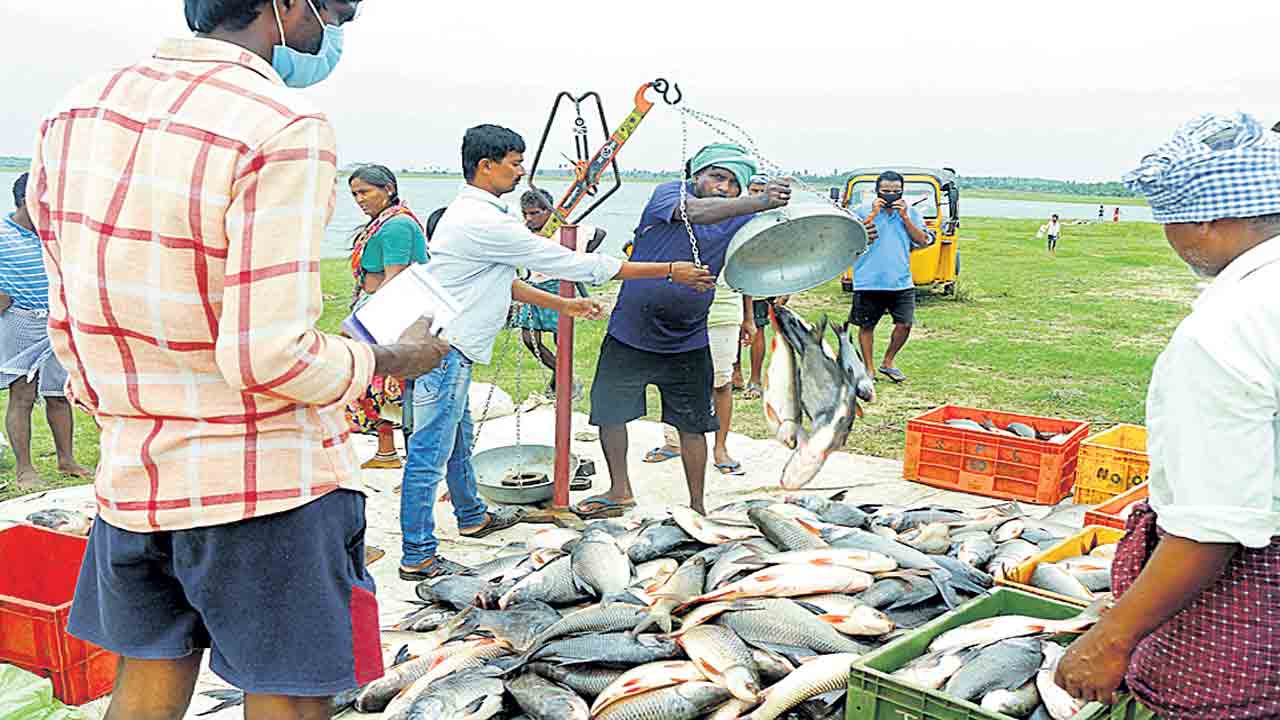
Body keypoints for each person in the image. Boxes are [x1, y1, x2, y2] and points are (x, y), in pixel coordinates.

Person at [29, 3, 454, 718]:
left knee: (146, 689)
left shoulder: (78, 109)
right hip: (265, 492)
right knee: (289, 700)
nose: (336, 31)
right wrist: (388, 358)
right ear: (287, 6)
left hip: (134, 477)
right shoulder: (281, 123)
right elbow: (269, 357)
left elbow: (66, 307)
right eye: (337, 10)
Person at [399, 124, 714, 579]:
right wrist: (667, 269)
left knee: (458, 441)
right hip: (442, 350)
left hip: (452, 348)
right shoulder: (479, 220)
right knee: (430, 452)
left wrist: (564, 303)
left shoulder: (481, 212)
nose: (522, 171)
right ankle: (419, 556)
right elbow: (570, 261)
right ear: (486, 166)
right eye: (514, 163)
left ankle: (471, 515)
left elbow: (499, 280)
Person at [1056, 112, 1280, 718]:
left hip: (1254, 604)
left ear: (1205, 218)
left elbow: (1213, 524)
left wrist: (1110, 639)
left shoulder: (1228, 327)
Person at [580, 143, 791, 518]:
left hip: (688, 339)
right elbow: (695, 213)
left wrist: (853, 235)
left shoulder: (741, 218)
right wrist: (758, 202)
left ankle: (697, 506)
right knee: (611, 414)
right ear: (697, 175)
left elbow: (784, 242)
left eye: (733, 183)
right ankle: (619, 490)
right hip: (630, 332)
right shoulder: (669, 194)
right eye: (717, 176)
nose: (724, 187)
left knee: (693, 425)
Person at [0, 173, 92, 490]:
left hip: (56, 322)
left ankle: (67, 459)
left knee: (60, 395)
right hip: (20, 321)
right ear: (28, 200)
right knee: (22, 396)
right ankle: (25, 469)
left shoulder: (54, 234)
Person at [344, 165, 429, 470]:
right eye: (354, 194)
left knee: (393, 385)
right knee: (373, 383)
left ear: (389, 189)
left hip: (394, 311)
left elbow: (396, 281)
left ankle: (416, 466)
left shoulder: (396, 226)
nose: (359, 199)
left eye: (365, 192)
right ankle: (386, 452)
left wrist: (382, 331)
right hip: (376, 307)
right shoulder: (382, 223)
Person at [514, 187, 607, 398]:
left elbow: (599, 233)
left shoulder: (564, 229)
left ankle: (560, 383)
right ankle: (564, 376)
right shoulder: (524, 232)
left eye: (534, 213)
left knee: (561, 340)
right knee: (530, 338)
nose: (529, 218)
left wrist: (579, 256)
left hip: (557, 285)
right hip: (533, 286)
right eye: (525, 214)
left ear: (549, 211)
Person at [848, 170, 932, 384]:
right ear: (877, 191)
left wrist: (904, 217)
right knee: (866, 326)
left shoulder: (911, 213)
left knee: (905, 324)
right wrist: (873, 214)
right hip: (868, 279)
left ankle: (888, 362)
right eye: (886, 191)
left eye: (896, 191)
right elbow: (850, 240)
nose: (891, 195)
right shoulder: (860, 211)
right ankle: (868, 368)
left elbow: (923, 240)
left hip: (900, 280)